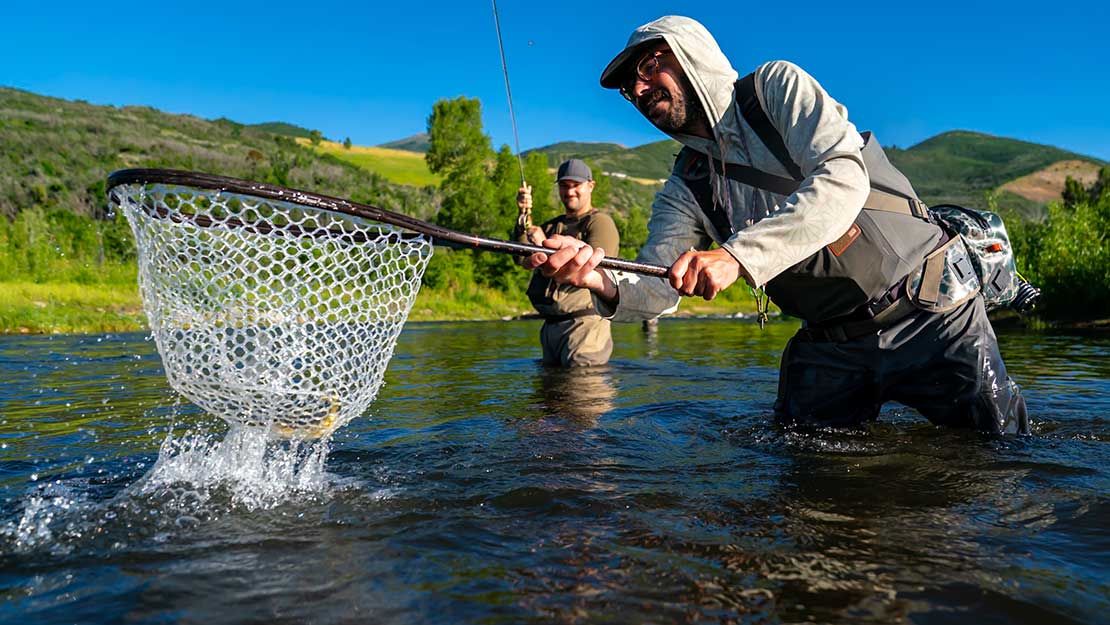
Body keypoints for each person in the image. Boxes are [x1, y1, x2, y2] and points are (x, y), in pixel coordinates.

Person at [523, 16, 1029, 434]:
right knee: (801, 477)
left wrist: (734, 256)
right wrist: (595, 276)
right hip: (831, 345)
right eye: (629, 88)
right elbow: (658, 284)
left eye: (651, 65)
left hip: (932, 309)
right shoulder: (684, 184)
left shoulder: (775, 88)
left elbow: (843, 180)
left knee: (1002, 460)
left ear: (693, 53)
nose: (638, 87)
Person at [514, 159, 620, 367]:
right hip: (551, 328)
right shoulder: (554, 224)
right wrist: (523, 215)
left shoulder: (600, 222)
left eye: (576, 185)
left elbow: (590, 267)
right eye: (564, 186)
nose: (569, 191)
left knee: (581, 394)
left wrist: (544, 243)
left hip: (585, 328)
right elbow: (521, 258)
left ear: (591, 186)